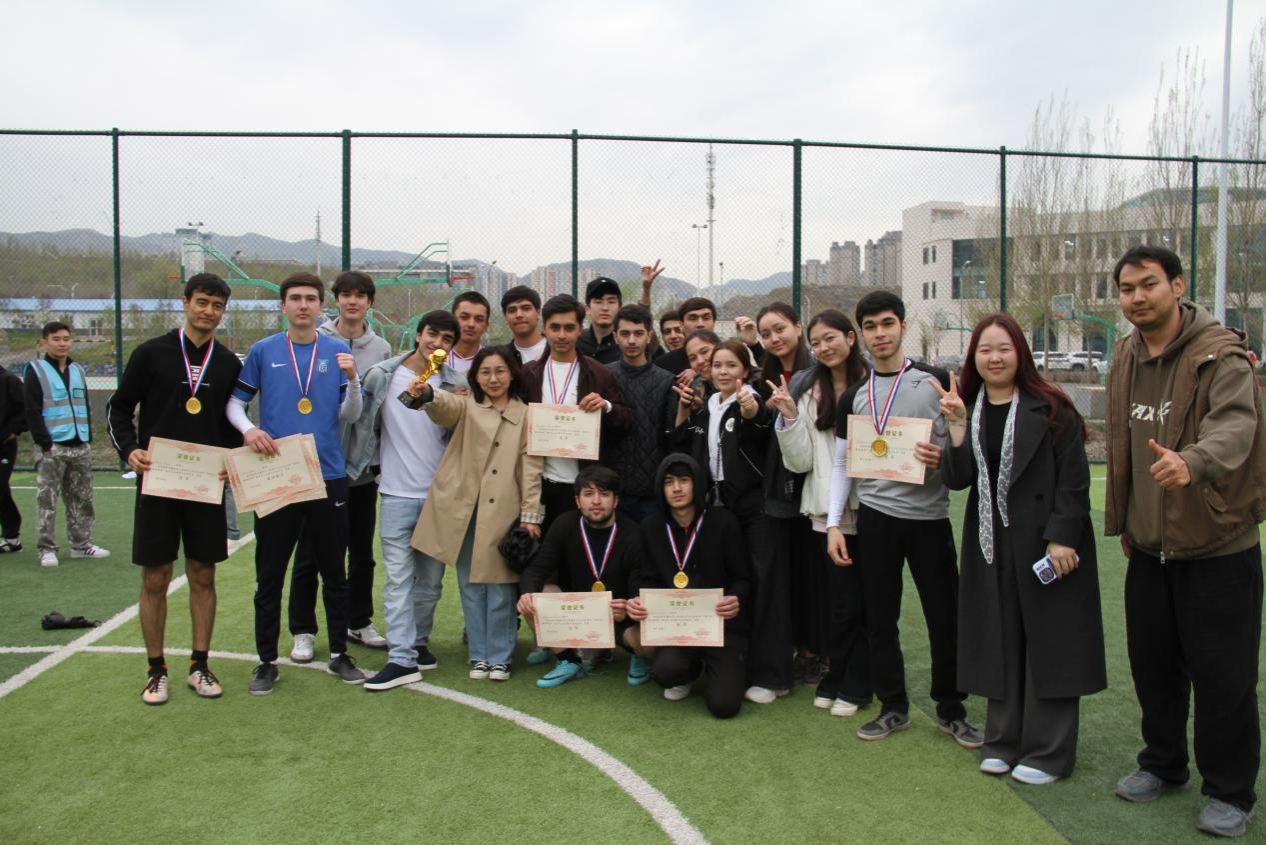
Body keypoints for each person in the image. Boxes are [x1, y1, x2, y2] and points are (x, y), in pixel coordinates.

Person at [1104, 246, 1264, 838]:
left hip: (1217, 547)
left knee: (1224, 676)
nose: (1137, 298)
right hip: (1149, 550)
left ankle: (1230, 790)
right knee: (1154, 668)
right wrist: (1129, 519)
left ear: (1177, 285)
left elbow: (1236, 426)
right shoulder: (1125, 353)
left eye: (1148, 284)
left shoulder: (1221, 355)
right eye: (1127, 289)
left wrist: (1191, 462)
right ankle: (1162, 763)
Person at [936, 312, 1106, 785]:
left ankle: (1048, 752)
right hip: (989, 544)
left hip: (1045, 541)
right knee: (999, 636)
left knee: (1050, 643)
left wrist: (1063, 536)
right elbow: (958, 480)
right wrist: (955, 429)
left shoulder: (1051, 407)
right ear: (973, 357)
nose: (994, 358)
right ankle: (1002, 741)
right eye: (985, 350)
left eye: (1004, 348)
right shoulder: (968, 407)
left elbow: (1074, 479)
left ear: (1021, 354)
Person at [825, 290, 981, 747]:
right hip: (875, 520)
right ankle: (893, 706)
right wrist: (834, 524)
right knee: (880, 618)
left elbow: (960, 445)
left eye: (888, 324)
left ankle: (951, 709)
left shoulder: (936, 381)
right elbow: (842, 463)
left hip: (929, 518)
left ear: (903, 327)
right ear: (860, 335)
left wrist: (946, 449)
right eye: (871, 327)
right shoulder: (854, 396)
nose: (880, 334)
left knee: (944, 616)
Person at [107, 273, 244, 705]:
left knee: (203, 573)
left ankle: (199, 665)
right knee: (156, 576)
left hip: (205, 485)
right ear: (185, 303)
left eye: (217, 306)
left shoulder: (228, 363)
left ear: (223, 312)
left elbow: (232, 424)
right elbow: (119, 408)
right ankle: (156, 670)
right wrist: (129, 450)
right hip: (158, 481)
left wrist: (232, 460)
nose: (208, 311)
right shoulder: (152, 353)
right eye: (201, 302)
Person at [227, 272, 366, 695]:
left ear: (321, 306)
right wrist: (249, 430)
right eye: (295, 298)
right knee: (270, 573)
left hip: (327, 475)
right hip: (277, 476)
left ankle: (339, 653)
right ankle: (266, 661)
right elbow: (235, 404)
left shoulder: (338, 350)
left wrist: (354, 380)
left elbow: (351, 415)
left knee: (334, 570)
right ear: (283, 305)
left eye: (310, 298)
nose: (303, 305)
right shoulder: (263, 350)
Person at [405, 346, 544, 682]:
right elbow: (445, 405)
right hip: (464, 511)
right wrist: (428, 393)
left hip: (504, 513)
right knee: (469, 585)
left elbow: (531, 468)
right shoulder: (467, 406)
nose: (493, 379)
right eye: (485, 372)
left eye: (500, 371)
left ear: (512, 374)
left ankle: (500, 656)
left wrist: (530, 515)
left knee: (500, 588)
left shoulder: (527, 414)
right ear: (475, 377)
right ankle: (479, 656)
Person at [669, 339, 788, 704]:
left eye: (731, 365)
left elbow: (759, 423)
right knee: (723, 584)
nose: (723, 371)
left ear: (745, 371)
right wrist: (684, 409)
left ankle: (772, 676)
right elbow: (683, 444)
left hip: (755, 508)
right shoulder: (706, 406)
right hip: (717, 508)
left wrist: (751, 410)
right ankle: (711, 663)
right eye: (717, 365)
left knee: (764, 584)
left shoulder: (749, 400)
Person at [346, 311, 459, 691]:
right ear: (418, 334)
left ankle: (417, 643)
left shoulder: (456, 385)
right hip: (395, 493)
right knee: (398, 581)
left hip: (439, 497)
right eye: (432, 334)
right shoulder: (381, 375)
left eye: (446, 339)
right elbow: (360, 422)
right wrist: (366, 467)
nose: (437, 343)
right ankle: (401, 658)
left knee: (430, 582)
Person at [768, 309, 871, 716]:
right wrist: (790, 417)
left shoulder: (873, 385)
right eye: (817, 342)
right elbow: (801, 462)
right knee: (838, 603)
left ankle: (859, 682)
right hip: (827, 515)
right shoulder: (808, 390)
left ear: (850, 337)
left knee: (867, 601)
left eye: (831, 338)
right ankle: (838, 675)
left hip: (874, 508)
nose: (824, 347)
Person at [289, 270, 393, 662]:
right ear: (335, 300)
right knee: (310, 553)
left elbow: (380, 409)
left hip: (362, 469)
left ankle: (358, 620)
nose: (352, 301)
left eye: (360, 295)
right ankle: (303, 629)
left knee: (361, 552)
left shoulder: (381, 348)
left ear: (369, 302)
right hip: (318, 466)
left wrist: (377, 459)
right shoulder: (314, 341)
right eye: (346, 294)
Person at [626, 453, 751, 718]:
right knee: (665, 672)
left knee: (724, 706)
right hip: (677, 627)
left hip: (720, 627)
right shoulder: (651, 527)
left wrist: (735, 598)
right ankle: (689, 673)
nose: (677, 488)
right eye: (669, 482)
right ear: (661, 488)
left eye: (684, 480)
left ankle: (726, 669)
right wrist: (636, 599)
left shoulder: (723, 522)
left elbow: (743, 577)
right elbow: (643, 578)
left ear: (697, 484)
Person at [517, 465, 651, 687]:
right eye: (588, 494)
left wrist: (629, 607)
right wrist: (526, 594)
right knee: (536, 596)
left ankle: (638, 655)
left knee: (644, 636)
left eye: (604, 494)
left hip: (617, 617)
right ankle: (569, 660)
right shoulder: (564, 524)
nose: (596, 501)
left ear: (615, 501)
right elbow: (537, 569)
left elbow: (640, 584)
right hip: (580, 614)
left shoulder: (633, 534)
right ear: (578, 501)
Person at [521, 294, 630, 535]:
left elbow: (624, 421)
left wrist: (606, 406)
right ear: (544, 329)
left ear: (580, 329)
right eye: (555, 327)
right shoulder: (529, 374)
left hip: (585, 486)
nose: (562, 335)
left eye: (569, 328)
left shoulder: (599, 373)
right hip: (542, 485)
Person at [755, 303, 814, 682]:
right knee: (786, 575)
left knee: (814, 575)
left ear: (798, 326)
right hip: (778, 492)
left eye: (780, 329)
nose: (774, 338)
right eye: (766, 334)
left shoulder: (818, 374)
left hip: (815, 488)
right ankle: (793, 647)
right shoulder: (763, 378)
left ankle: (816, 649)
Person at [24, 321, 110, 567]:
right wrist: (44, 442)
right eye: (56, 339)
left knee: (83, 498)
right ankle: (46, 548)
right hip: (52, 446)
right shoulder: (36, 370)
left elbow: (84, 405)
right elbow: (31, 409)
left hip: (79, 444)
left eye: (65, 339)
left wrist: (87, 438)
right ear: (44, 342)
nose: (62, 344)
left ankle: (81, 545)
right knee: (47, 500)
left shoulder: (78, 370)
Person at [609, 304, 677, 522]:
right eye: (625, 334)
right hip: (613, 488)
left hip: (653, 490)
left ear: (649, 336)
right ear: (615, 337)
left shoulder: (666, 381)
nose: (631, 340)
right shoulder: (604, 375)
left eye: (638, 333)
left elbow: (672, 436)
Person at [0, 360, 26, 554]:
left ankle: (12, 536)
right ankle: (11, 538)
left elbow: (25, 411)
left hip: (4, 447)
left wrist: (11, 432)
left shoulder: (10, 380)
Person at [577, 277, 623, 365]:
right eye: (598, 302)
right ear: (587, 308)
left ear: (620, 308)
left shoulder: (626, 344)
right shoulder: (576, 341)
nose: (605, 308)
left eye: (611, 302)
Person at [449, 290, 492, 376]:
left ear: (486, 326)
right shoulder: (435, 357)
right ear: (452, 320)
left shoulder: (492, 362)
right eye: (464, 317)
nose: (471, 324)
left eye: (479, 319)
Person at [501, 285, 547, 364]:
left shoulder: (555, 349)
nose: (519, 315)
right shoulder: (501, 357)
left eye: (526, 308)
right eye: (512, 310)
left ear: (538, 313)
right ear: (505, 318)